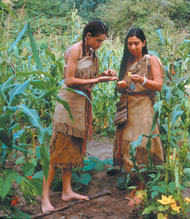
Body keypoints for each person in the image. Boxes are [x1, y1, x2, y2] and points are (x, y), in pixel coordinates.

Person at [41, 20, 118, 213]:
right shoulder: (75, 50)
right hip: (67, 106)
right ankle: (44, 198)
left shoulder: (91, 53)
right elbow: (70, 80)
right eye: (98, 40)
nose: (100, 45)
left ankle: (67, 190)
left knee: (72, 149)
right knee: (56, 153)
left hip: (81, 106)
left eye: (102, 42)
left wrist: (104, 74)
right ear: (88, 36)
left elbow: (86, 79)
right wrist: (98, 79)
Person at [114, 28, 164, 206]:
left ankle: (142, 190)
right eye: (129, 44)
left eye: (136, 43)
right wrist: (121, 85)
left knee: (141, 147)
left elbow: (158, 85)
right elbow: (126, 86)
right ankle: (135, 187)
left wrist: (141, 80)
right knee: (128, 146)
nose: (133, 47)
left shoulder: (151, 60)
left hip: (144, 107)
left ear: (143, 43)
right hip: (129, 107)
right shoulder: (127, 62)